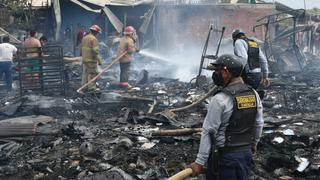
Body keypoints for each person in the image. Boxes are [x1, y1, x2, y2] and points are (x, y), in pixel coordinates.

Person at [187, 54, 264, 179]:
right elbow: (259, 123)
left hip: (225, 158)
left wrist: (199, 162)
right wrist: (254, 143)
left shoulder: (220, 99)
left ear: (225, 71)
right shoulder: (253, 93)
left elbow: (209, 131)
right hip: (245, 154)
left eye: (216, 71)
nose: (214, 75)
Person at [232, 29, 270, 98]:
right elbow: (263, 60)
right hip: (258, 75)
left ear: (234, 37)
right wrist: (265, 77)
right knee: (252, 96)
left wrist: (236, 73)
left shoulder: (238, 42)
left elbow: (243, 58)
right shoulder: (254, 43)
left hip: (248, 75)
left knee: (242, 96)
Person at [80, 24, 102, 92]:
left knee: (85, 73)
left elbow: (81, 48)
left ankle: (84, 87)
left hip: (84, 59)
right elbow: (95, 51)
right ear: (96, 32)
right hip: (91, 60)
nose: (97, 34)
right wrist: (99, 60)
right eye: (97, 33)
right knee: (93, 73)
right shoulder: (93, 39)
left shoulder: (84, 37)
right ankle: (92, 87)